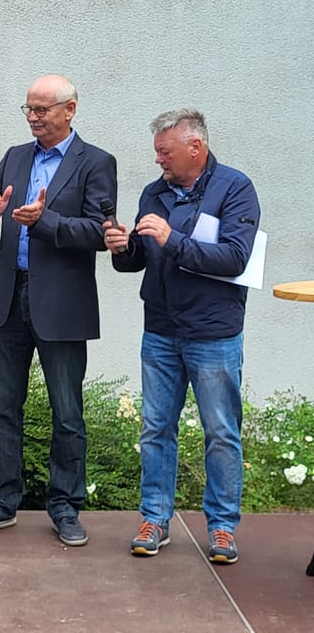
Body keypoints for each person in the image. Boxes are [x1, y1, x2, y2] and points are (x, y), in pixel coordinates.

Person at [0, 74, 116, 547]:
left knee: (67, 412)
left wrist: (44, 221)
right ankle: (1, 503)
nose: (33, 118)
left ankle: (65, 506)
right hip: (9, 298)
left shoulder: (96, 162)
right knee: (1, 409)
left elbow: (98, 231)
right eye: (28, 109)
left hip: (62, 304)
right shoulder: (15, 157)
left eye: (42, 110)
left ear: (70, 110)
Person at [105, 109, 259, 564]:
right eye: (157, 152)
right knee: (155, 429)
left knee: (220, 432)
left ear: (196, 147)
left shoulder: (235, 188)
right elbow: (139, 259)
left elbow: (234, 258)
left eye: (164, 152)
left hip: (213, 332)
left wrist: (171, 238)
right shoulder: (154, 193)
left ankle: (223, 527)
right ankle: (154, 519)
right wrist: (123, 247)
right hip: (160, 329)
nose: (158, 161)